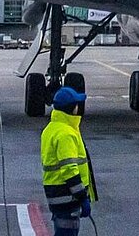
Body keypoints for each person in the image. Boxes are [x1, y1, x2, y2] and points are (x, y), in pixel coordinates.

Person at [40, 86, 96, 234]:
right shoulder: (66, 134)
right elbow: (69, 170)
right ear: (72, 108)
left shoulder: (52, 128)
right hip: (66, 196)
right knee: (67, 232)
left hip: (56, 193)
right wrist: (82, 197)